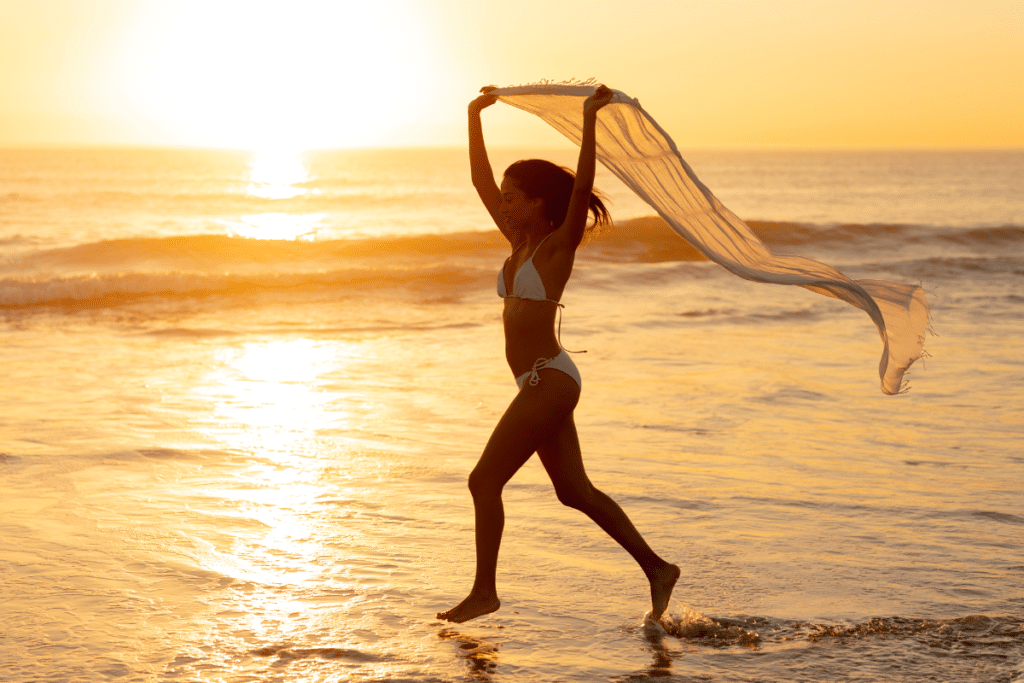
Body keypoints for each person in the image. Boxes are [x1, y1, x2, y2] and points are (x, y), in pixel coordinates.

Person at [436, 85, 680, 625]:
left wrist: (590, 121)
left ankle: (484, 592)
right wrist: (473, 116)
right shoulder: (517, 244)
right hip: (539, 382)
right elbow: (478, 179)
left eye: (514, 194)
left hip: (549, 379)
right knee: (573, 491)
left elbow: (583, 186)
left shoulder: (556, 246)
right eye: (504, 194)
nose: (503, 201)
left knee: (483, 481)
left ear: (541, 203)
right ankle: (658, 569)